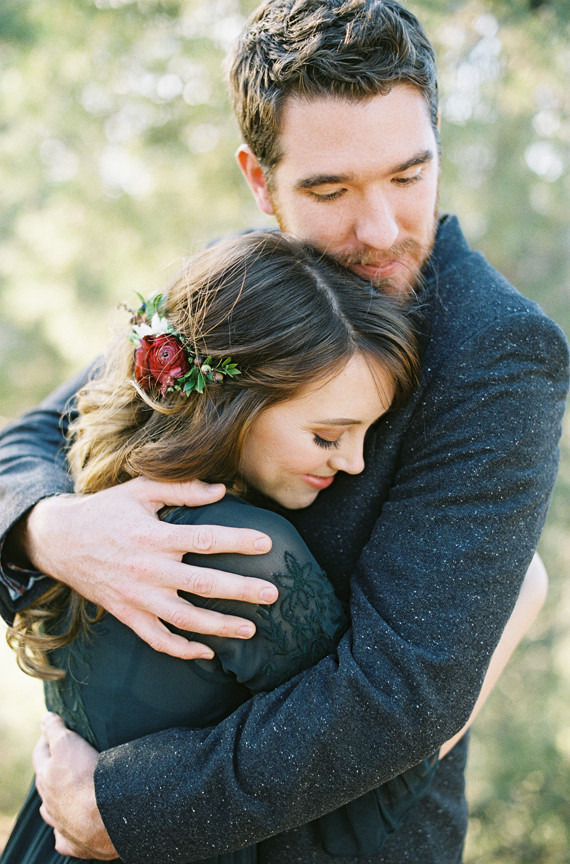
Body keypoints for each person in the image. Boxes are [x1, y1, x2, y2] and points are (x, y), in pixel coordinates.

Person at [0, 1, 568, 862]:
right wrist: (61, 530)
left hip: (323, 840)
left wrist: (118, 807)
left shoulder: (498, 353)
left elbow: (397, 695)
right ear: (261, 182)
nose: (378, 230)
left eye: (408, 176)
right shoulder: (245, 294)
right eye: (330, 190)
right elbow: (27, 440)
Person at [3, 229, 449, 863]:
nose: (353, 462)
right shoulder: (242, 551)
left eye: (367, 435)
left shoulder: (95, 503)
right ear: (234, 405)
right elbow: (364, 790)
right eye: (328, 436)